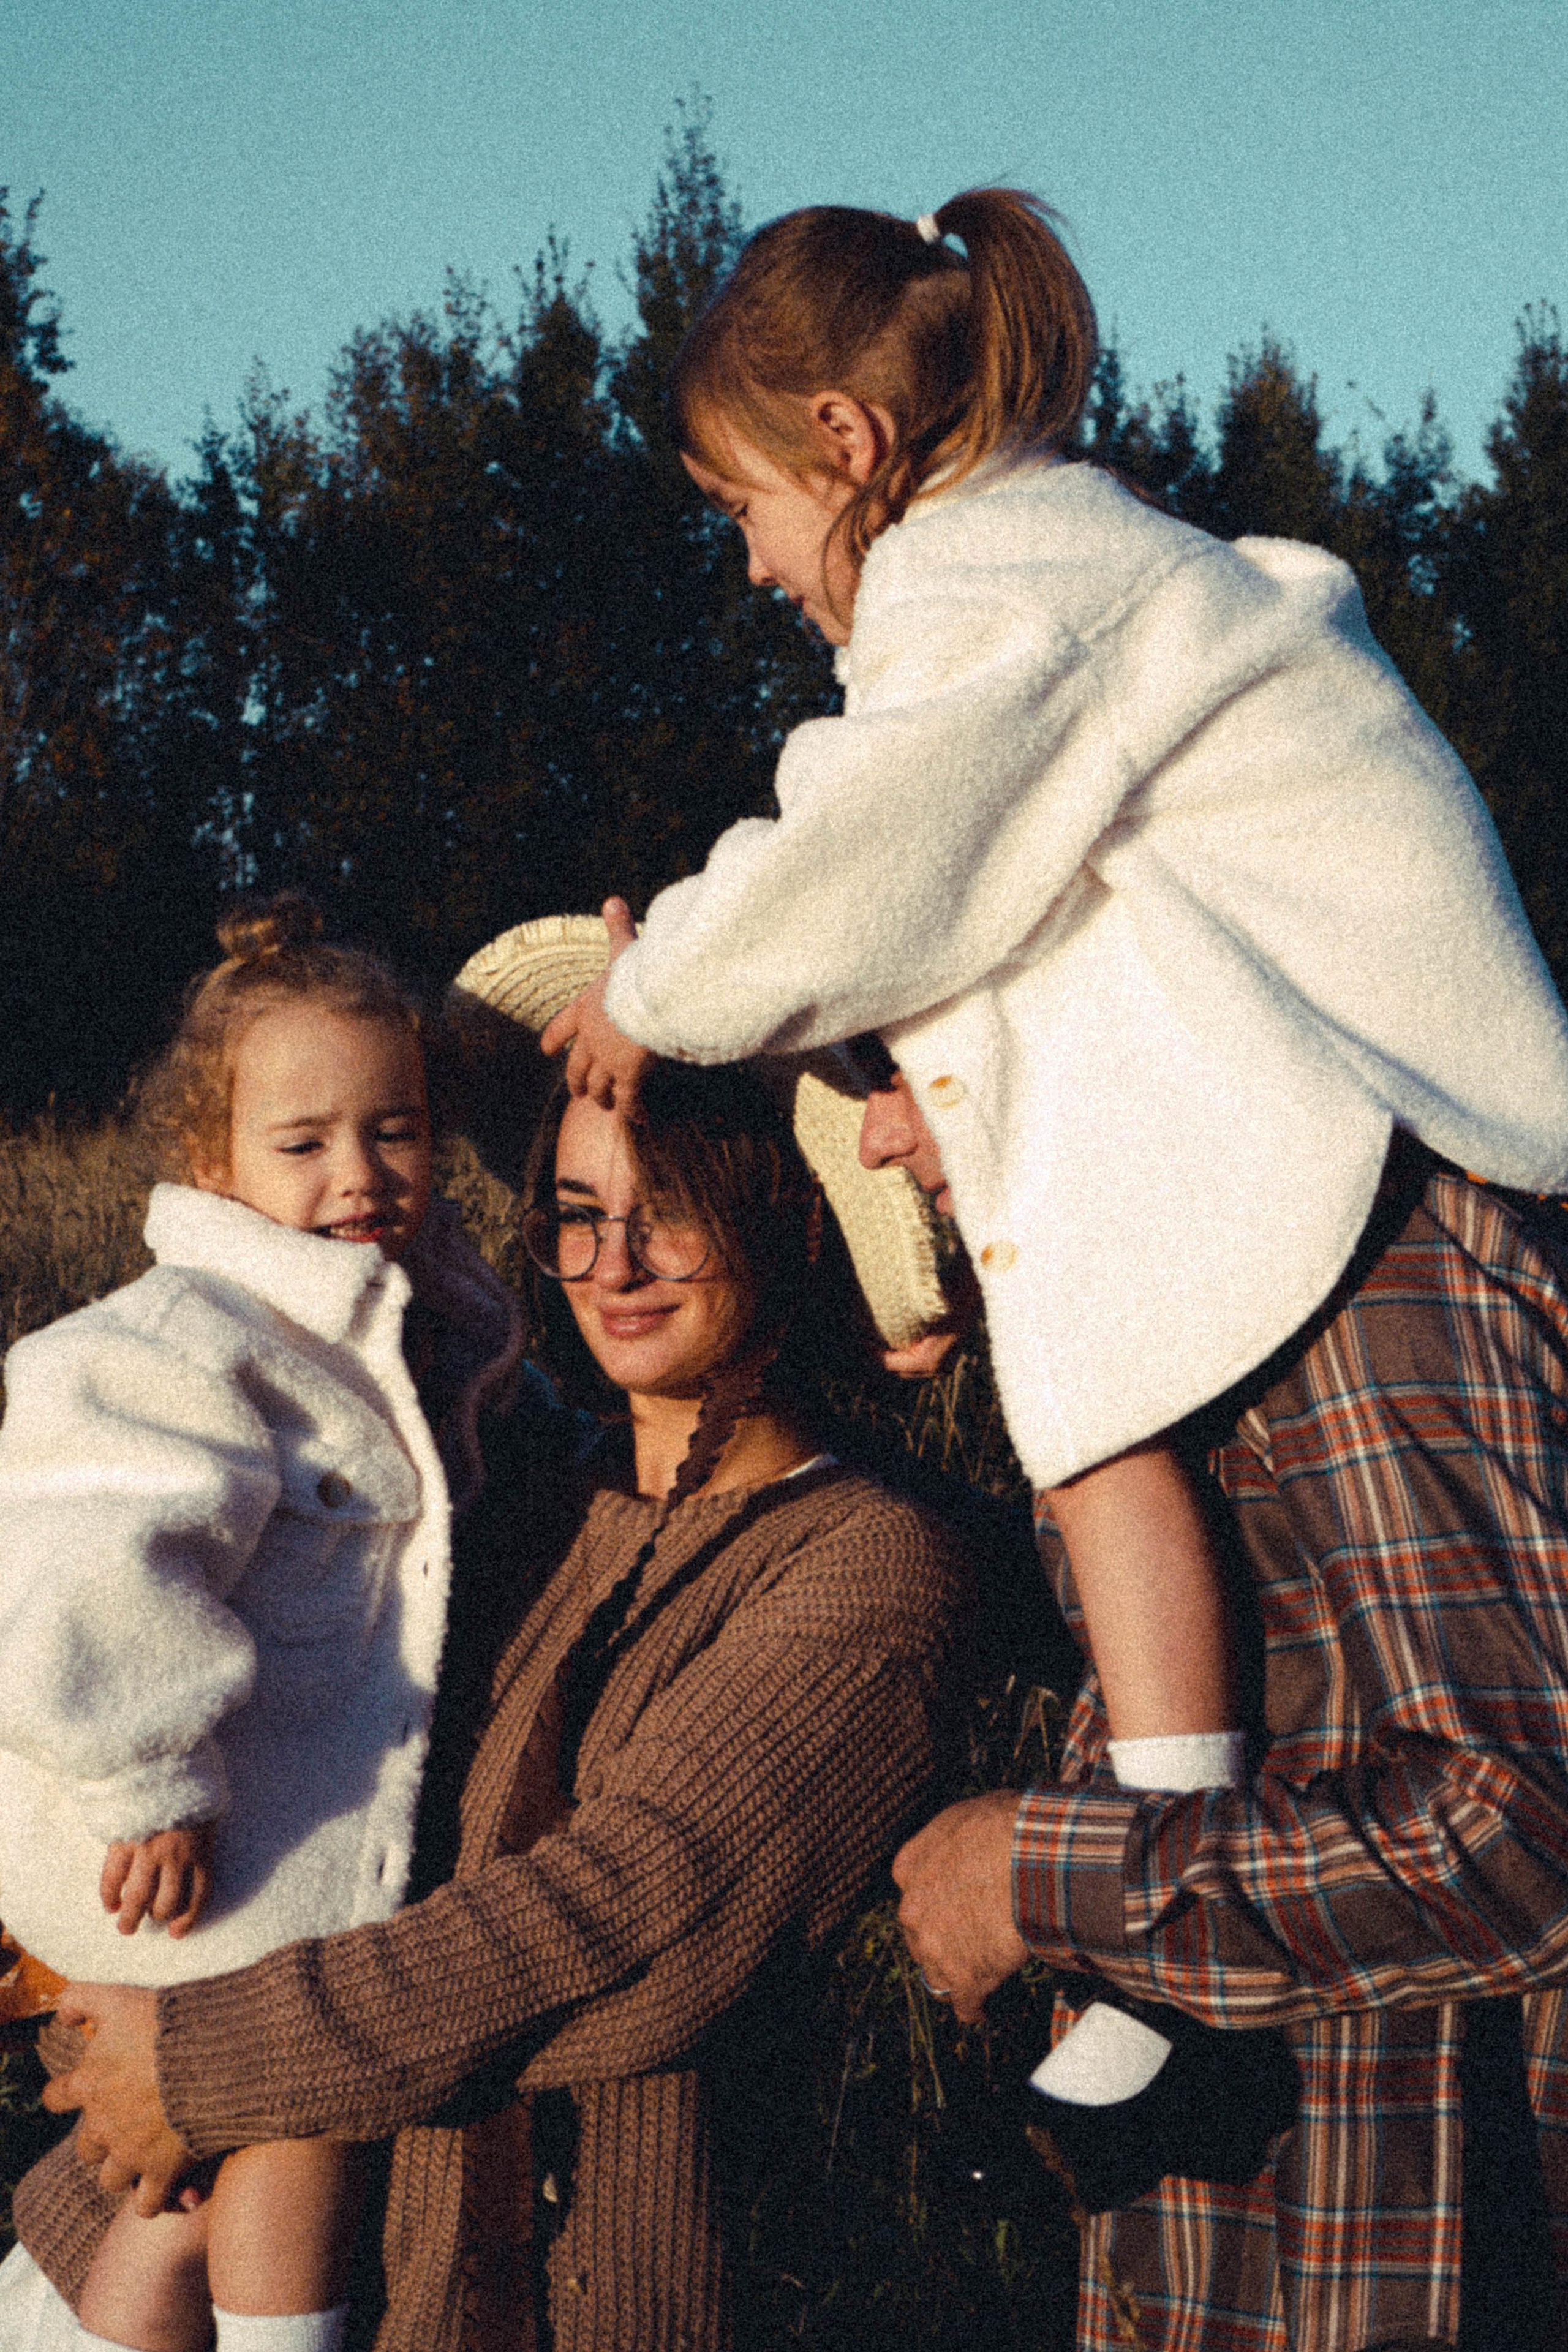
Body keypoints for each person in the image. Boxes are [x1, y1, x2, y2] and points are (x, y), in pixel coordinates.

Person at [536, 187, 1568, 2115]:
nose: (758, 570)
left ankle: (1135, 1905)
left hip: (1392, 1202)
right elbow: (1075, 935)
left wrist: (655, 985)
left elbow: (860, 862)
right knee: (1110, 1460)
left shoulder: (1001, 582)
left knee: (1140, 1483)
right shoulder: (1070, 603)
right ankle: (1161, 1941)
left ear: (845, 446)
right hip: (1309, 1188)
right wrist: (941, 1137)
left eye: (745, 511)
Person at [10, 916, 970, 2352]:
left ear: (788, 1215)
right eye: (577, 1210)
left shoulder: (866, 1560)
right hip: (175, 2244)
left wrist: (200, 2058)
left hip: (554, 2294)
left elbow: (621, 1921)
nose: (615, 1263)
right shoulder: (500, 1486)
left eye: (674, 1207)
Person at [868, 1063, 1568, 2351]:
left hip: (1390, 2254)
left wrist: (1034, 1869)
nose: (879, 1133)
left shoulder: (1371, 1282)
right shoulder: (1167, 1303)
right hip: (1231, 2248)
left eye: (916, 1063)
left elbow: (1523, 1829)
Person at [0, 894, 524, 2352]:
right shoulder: (184, 1342)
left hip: (258, 1840)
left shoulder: (368, 1316)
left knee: (168, 2210)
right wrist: (149, 1779)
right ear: (209, 1159)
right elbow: (83, 1571)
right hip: (184, 1850)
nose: (359, 1174)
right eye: (302, 1145)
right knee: (301, 2115)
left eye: (397, 1130)